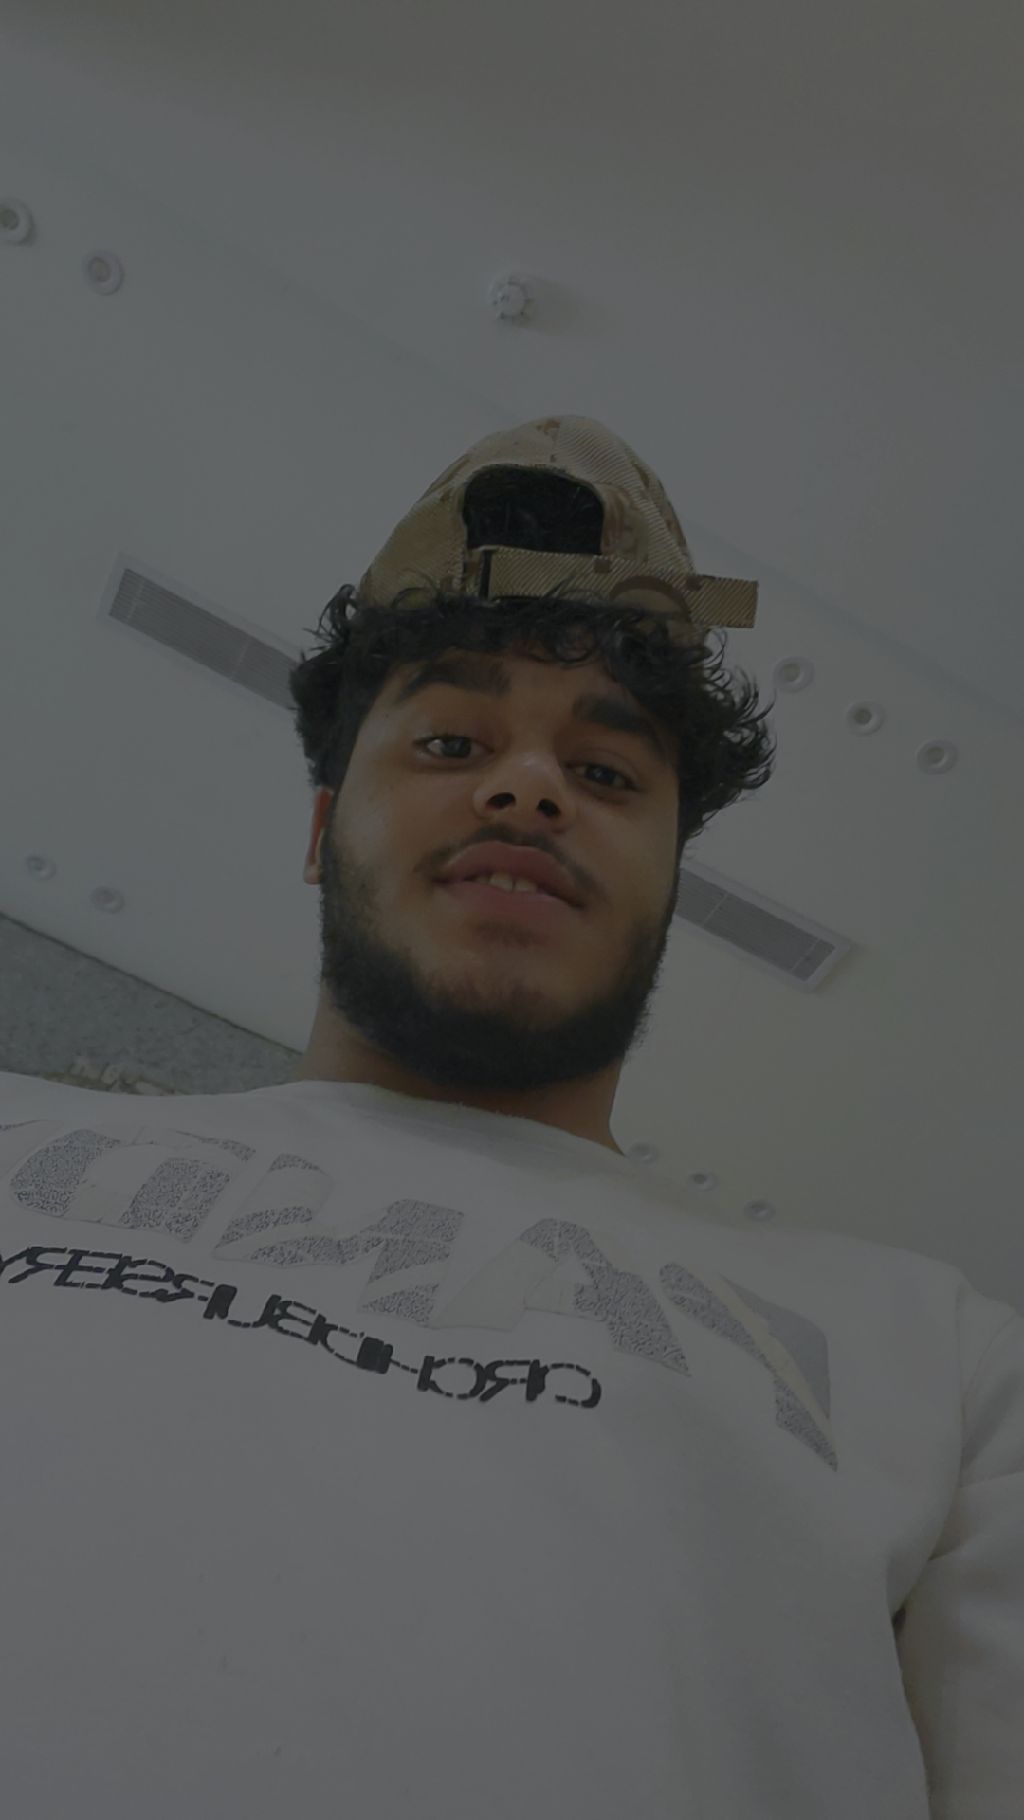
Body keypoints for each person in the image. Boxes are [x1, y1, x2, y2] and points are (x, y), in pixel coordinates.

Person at [1, 417, 1021, 1819]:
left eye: (606, 775)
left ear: (667, 882)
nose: (530, 784)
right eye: (450, 739)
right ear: (322, 833)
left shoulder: (948, 1365)